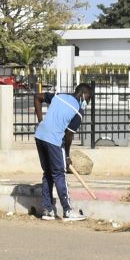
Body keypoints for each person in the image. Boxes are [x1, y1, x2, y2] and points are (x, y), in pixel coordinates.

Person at [33, 83, 92, 221]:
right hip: (54, 140)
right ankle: (68, 211)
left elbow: (37, 97)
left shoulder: (58, 96)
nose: (87, 103)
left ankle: (47, 210)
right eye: (88, 99)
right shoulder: (78, 110)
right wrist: (66, 155)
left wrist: (41, 121)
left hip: (40, 136)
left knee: (48, 173)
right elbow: (68, 136)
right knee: (59, 174)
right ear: (82, 95)